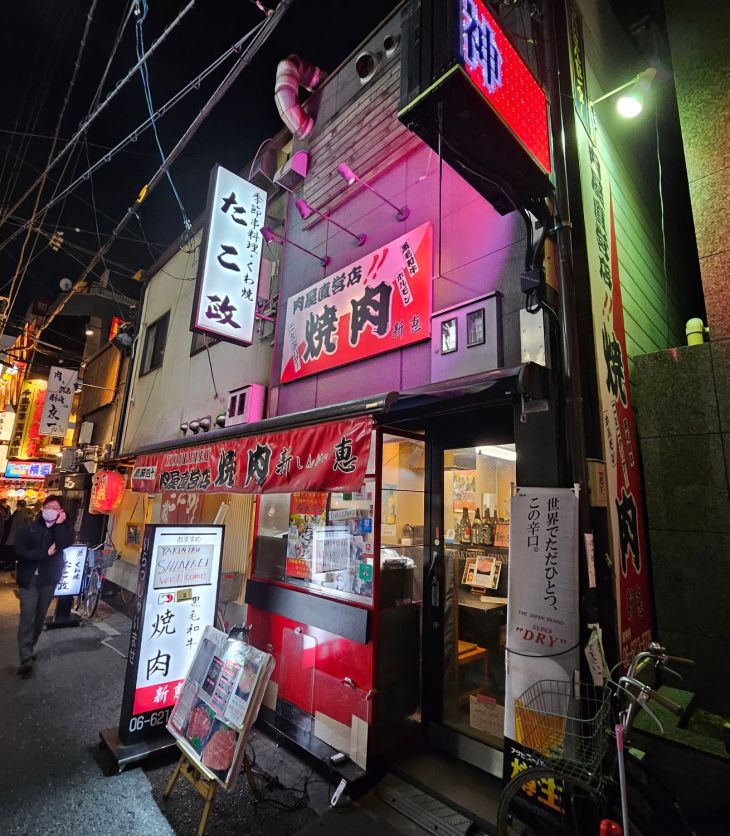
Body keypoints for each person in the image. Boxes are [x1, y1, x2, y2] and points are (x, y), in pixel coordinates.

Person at [15, 495, 72, 676]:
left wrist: (60, 525)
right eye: (48, 506)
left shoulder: (63, 529)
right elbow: (19, 550)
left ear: (61, 511)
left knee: (39, 618)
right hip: (28, 580)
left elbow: (64, 544)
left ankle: (30, 646)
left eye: (55, 508)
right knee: (28, 615)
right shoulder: (30, 526)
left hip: (48, 581)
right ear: (42, 508)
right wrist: (44, 553)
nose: (50, 510)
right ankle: (25, 658)